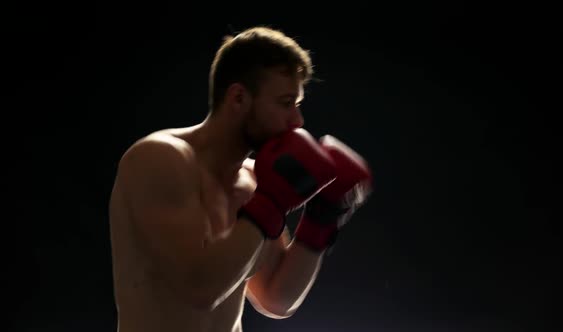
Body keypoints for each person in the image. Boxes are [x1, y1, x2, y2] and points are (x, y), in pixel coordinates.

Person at [108, 26, 372, 332]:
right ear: (238, 98)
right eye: (286, 103)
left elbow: (276, 298)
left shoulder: (253, 181)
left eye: (297, 106)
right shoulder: (158, 159)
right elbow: (199, 288)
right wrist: (270, 204)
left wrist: (322, 218)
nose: (297, 121)